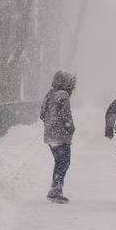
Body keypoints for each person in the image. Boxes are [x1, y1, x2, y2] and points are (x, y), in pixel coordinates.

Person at [39, 70, 76, 204]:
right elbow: (67, 116)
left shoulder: (49, 94)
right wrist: (70, 128)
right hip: (61, 135)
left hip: (50, 135)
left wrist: (50, 123)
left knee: (59, 161)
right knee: (64, 162)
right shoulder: (63, 95)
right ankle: (55, 190)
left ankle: (56, 188)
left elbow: (42, 114)